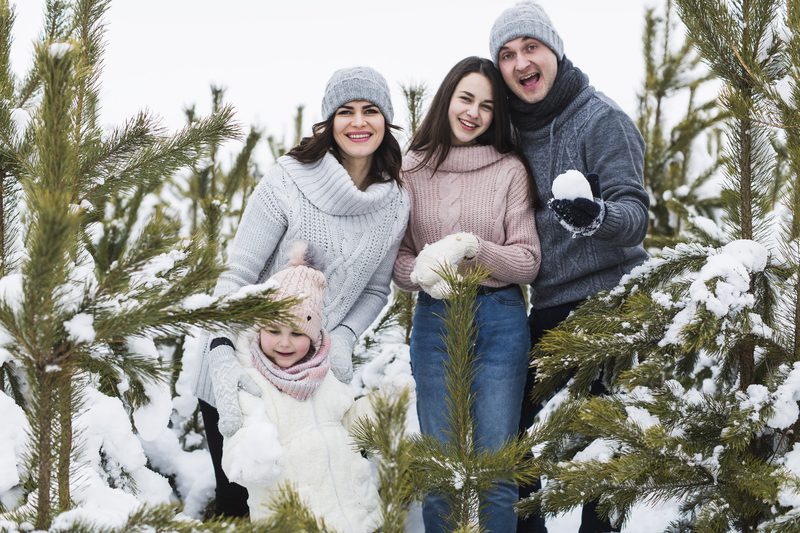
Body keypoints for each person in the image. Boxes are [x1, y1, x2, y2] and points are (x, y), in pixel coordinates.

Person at [192, 66, 410, 517]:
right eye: (345, 111)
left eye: (370, 111)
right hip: (242, 375)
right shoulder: (289, 180)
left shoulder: (396, 203)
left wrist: (346, 337)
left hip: (311, 381)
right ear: (329, 122)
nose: (358, 122)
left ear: (385, 121)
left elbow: (374, 288)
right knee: (244, 508)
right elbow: (236, 277)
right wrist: (220, 357)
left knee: (313, 508)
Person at [489, 3, 649, 532]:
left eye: (530, 47)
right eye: (508, 55)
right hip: (548, 305)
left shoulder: (600, 119)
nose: (521, 62)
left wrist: (594, 215)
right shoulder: (509, 131)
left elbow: (635, 215)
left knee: (605, 450)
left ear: (553, 49)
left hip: (610, 303)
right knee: (520, 439)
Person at [393, 56, 541, 533]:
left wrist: (473, 249)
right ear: (447, 99)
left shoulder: (509, 170)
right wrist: (424, 271)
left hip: (501, 318)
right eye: (466, 99)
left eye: (487, 106)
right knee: (442, 468)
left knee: (497, 467)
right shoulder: (410, 169)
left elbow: (527, 260)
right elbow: (396, 261)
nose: (474, 112)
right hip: (436, 317)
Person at [221, 242, 380, 531]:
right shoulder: (252, 384)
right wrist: (254, 452)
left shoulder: (325, 375)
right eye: (273, 330)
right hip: (295, 519)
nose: (284, 342)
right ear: (259, 329)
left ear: (314, 335)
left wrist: (379, 412)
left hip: (355, 513)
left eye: (296, 333)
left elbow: (349, 426)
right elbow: (234, 457)